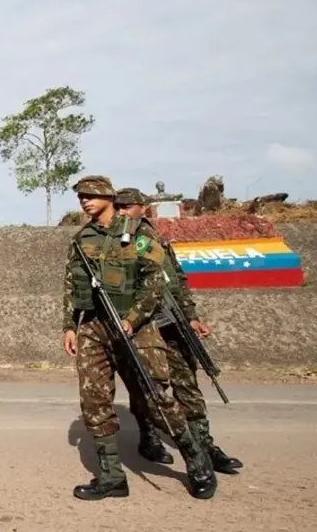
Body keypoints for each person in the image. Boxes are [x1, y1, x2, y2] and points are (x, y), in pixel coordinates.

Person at [61, 175, 216, 501]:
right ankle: (112, 477)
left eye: (91, 195)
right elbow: (71, 285)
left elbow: (155, 281)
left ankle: (197, 460)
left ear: (109, 197)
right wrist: (69, 326)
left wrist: (132, 319)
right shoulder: (82, 238)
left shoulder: (138, 233)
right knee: (94, 400)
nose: (85, 201)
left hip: (137, 326)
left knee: (154, 397)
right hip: (94, 327)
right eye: (81, 197)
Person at [114, 187, 243, 474]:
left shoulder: (154, 239)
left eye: (127, 206)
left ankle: (204, 445)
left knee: (187, 384)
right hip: (142, 324)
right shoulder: (117, 240)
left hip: (172, 321)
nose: (122, 212)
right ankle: (149, 438)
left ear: (143, 208)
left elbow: (176, 280)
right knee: (146, 384)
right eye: (118, 207)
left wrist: (191, 316)